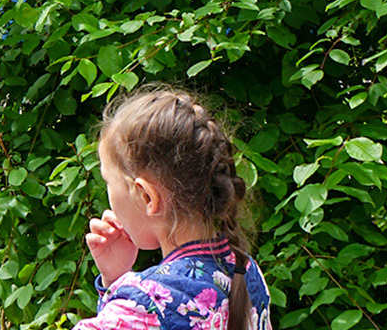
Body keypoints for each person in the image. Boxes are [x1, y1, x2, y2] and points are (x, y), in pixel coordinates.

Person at [76, 87, 272, 330]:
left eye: (107, 181)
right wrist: (116, 279)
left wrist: (118, 286)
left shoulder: (145, 305)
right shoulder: (247, 272)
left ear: (147, 196)